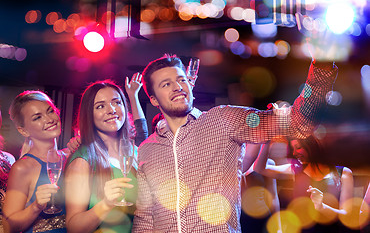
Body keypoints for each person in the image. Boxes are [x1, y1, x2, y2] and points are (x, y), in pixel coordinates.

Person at [132, 48, 338, 232]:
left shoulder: (223, 120)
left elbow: (298, 123)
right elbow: (145, 219)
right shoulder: (147, 150)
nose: (177, 87)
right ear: (153, 99)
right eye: (166, 84)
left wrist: (322, 63)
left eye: (181, 79)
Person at [65, 73, 148, 233]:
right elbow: (73, 227)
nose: (111, 110)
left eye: (116, 102)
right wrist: (106, 203)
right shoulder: (83, 161)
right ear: (89, 114)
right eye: (100, 106)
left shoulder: (136, 152)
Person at [253, 137, 354, 232]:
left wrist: (321, 206)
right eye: (293, 149)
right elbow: (259, 168)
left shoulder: (343, 173)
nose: (294, 153)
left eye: (298, 147)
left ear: (312, 144)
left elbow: (346, 216)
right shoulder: (296, 169)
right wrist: (267, 140)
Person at [3, 91, 68, 233]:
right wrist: (36, 207)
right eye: (37, 118)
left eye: (50, 111)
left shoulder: (71, 158)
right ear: (23, 130)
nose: (49, 119)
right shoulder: (23, 167)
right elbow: (9, 227)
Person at [240, 144, 281, 233]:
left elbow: (273, 196)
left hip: (263, 220)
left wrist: (278, 227)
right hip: (241, 221)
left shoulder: (268, 164)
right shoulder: (235, 165)